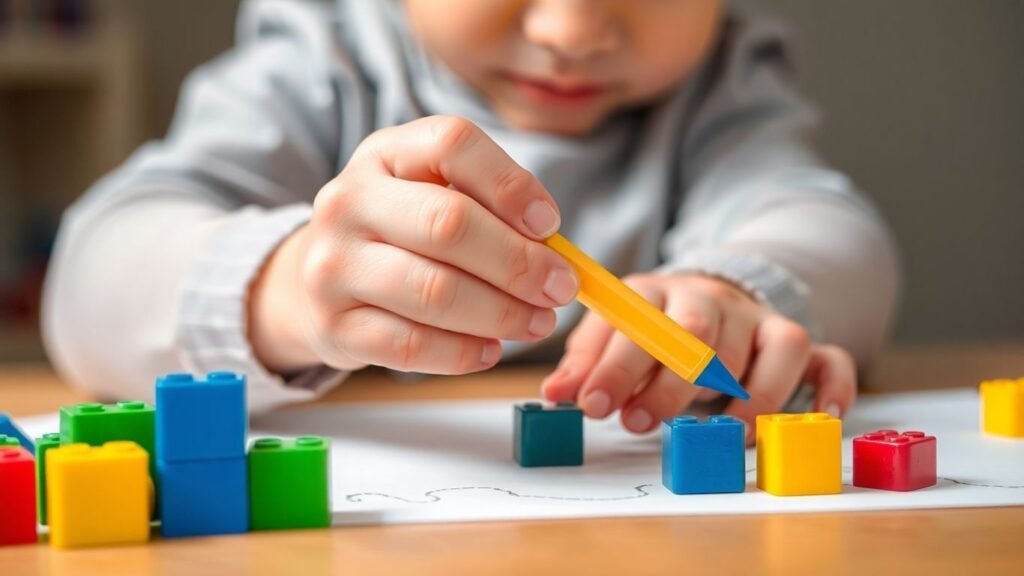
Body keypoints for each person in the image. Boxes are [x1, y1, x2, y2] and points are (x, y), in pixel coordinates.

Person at [42, 0, 899, 443]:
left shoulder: (721, 88)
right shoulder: (323, 57)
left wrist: (738, 288)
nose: (569, 31)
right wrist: (291, 292)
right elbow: (91, 278)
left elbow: (839, 237)